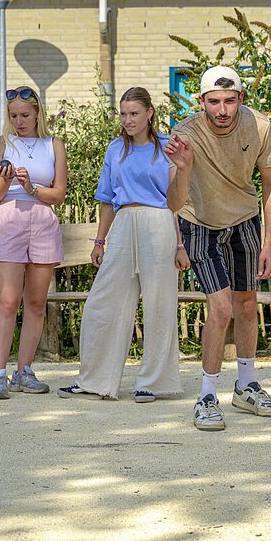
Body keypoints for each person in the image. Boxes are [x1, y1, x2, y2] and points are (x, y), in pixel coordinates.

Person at [162, 66, 271, 431]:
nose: (222, 110)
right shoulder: (184, 135)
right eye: (214, 102)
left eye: (230, 101)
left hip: (245, 222)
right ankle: (206, 395)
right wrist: (183, 169)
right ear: (201, 102)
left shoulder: (260, 127)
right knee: (221, 305)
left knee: (246, 304)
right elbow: (172, 202)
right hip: (200, 225)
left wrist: (269, 243)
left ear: (241, 99)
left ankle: (245, 386)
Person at [57, 87, 189, 402]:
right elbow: (106, 200)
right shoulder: (115, 149)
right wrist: (99, 240)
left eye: (134, 113)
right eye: (124, 114)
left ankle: (153, 382)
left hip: (158, 224)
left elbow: (176, 203)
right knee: (102, 302)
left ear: (149, 114)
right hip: (122, 224)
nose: (128, 120)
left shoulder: (165, 148)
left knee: (159, 302)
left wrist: (180, 245)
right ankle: (94, 379)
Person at [0, 85, 68, 399]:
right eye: (13, 115)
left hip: (42, 219)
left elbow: (58, 194)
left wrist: (32, 187)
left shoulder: (53, 145)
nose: (19, 121)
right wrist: (5, 178)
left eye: (25, 115)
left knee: (35, 303)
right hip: (9, 219)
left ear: (37, 114)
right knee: (7, 301)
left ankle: (25, 371)